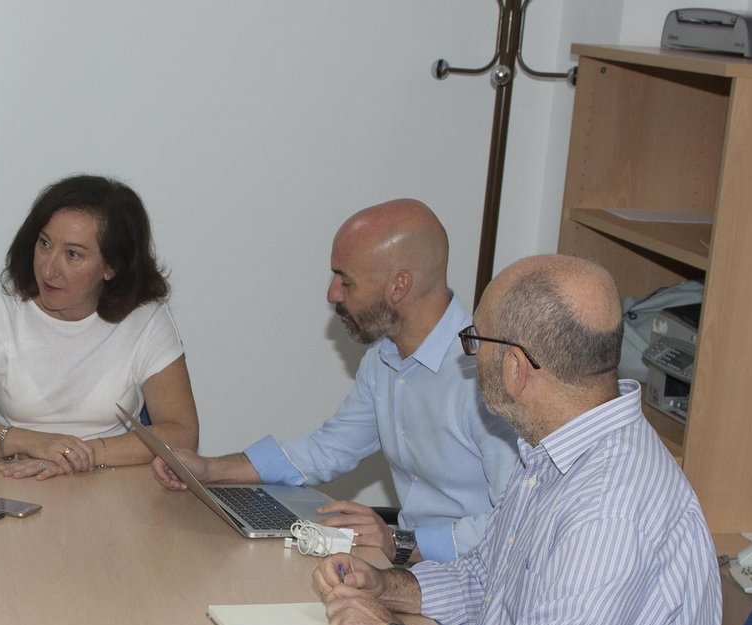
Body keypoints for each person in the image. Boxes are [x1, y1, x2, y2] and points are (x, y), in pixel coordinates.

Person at [311, 254, 721, 625]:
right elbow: (490, 579)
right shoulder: (557, 452)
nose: (467, 357)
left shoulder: (610, 504)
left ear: (516, 366)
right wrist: (388, 587)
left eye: (474, 341)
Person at [152, 200, 518, 564]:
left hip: (477, 583)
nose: (332, 294)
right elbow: (329, 448)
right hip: (411, 565)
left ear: (399, 286)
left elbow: (515, 524)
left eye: (346, 280)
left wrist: (403, 542)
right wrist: (209, 469)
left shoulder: (489, 375)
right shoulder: (384, 358)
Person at [0, 174, 198, 480]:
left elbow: (182, 433)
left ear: (111, 267)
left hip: (111, 483)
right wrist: (34, 443)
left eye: (73, 254)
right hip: (12, 480)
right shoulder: (1, 311)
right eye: (45, 243)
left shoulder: (145, 318)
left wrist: (77, 455)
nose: (49, 270)